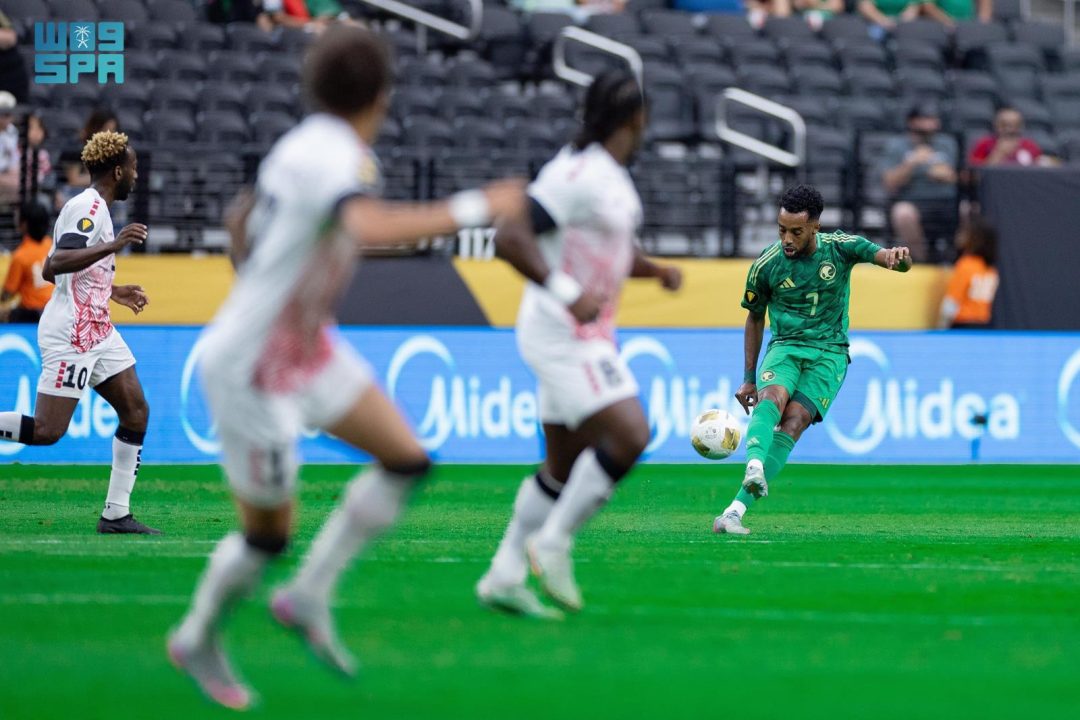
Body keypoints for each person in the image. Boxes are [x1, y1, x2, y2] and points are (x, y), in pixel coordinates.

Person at [166, 25, 526, 711]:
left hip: (306, 345)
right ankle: (197, 636)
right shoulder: (337, 158)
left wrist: (269, 281)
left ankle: (307, 595)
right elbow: (361, 227)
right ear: (381, 96)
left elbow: (241, 217)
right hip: (252, 364)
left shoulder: (301, 146)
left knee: (407, 459)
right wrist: (479, 206)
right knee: (268, 535)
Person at [476, 70, 683, 618]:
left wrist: (655, 270)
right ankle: (555, 540)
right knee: (631, 434)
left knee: (560, 469)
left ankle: (503, 576)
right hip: (562, 333)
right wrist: (567, 292)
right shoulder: (576, 173)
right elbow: (509, 236)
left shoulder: (610, 176)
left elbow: (606, 250)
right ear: (635, 118)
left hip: (584, 331)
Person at [714, 185, 912, 535]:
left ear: (815, 227)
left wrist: (899, 259)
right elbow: (754, 317)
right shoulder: (767, 265)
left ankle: (733, 512)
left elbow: (885, 258)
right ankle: (755, 463)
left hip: (829, 353)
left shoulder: (840, 249)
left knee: (794, 421)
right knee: (771, 398)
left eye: (795, 232)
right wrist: (748, 377)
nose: (786, 239)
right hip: (787, 346)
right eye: (781, 230)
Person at [0, 130, 155, 533]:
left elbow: (67, 268)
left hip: (97, 328)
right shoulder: (89, 207)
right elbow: (57, 263)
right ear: (118, 170)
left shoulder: (93, 207)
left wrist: (112, 289)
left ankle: (116, 514)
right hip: (72, 331)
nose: (136, 176)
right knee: (49, 431)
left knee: (136, 411)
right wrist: (113, 245)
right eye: (134, 168)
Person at [881, 103, 958, 263]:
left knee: (969, 210)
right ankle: (922, 260)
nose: (931, 123)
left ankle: (958, 260)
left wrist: (929, 168)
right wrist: (912, 163)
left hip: (946, 202)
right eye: (925, 119)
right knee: (903, 213)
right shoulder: (897, 145)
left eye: (933, 119)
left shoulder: (946, 143)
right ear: (912, 122)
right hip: (912, 201)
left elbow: (952, 175)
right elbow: (890, 182)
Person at [939, 216, 998, 329]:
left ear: (975, 239)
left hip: (963, 325)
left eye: (965, 232)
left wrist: (942, 329)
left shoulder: (966, 265)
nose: (959, 235)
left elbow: (951, 302)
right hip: (984, 325)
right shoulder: (991, 270)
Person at [1, 201, 53, 323]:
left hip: (34, 314)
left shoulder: (20, 256)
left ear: (24, 225)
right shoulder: (50, 244)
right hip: (55, 308)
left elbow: (8, 294)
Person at [968, 107, 1042, 168]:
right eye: (1004, 124)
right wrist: (998, 154)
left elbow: (1038, 167)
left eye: (1015, 125)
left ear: (1021, 126)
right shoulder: (984, 143)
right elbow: (975, 173)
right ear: (996, 125)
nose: (1009, 129)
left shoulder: (1030, 145)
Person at [925, 0, 993, 25]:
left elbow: (985, 3)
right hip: (942, 26)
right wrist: (949, 22)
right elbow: (928, 7)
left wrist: (982, 22)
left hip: (970, 24)